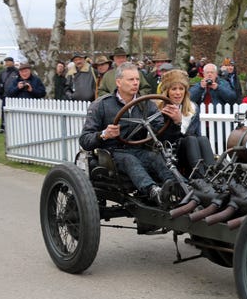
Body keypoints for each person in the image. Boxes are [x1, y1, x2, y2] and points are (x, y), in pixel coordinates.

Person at [79, 62, 174, 204]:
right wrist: (104, 134)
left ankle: (176, 187)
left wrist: (174, 121)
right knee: (129, 160)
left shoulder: (146, 103)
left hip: (138, 149)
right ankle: (153, 191)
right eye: (131, 80)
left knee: (156, 157)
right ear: (118, 82)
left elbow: (160, 128)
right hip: (112, 154)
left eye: (137, 79)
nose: (135, 83)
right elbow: (85, 140)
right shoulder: (102, 105)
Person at [157, 69, 215, 177]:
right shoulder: (160, 109)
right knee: (190, 139)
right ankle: (199, 177)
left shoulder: (192, 108)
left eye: (181, 89)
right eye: (174, 89)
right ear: (167, 92)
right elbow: (161, 138)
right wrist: (176, 122)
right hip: (169, 151)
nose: (178, 93)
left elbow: (196, 134)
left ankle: (212, 175)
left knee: (202, 139)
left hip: (190, 150)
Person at [0, 56, 19, 133]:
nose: (7, 63)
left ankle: (14, 125)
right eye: (6, 62)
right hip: (5, 95)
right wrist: (0, 92)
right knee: (4, 110)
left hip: (15, 95)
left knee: (14, 111)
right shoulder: (3, 72)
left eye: (8, 62)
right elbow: (0, 83)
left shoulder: (17, 72)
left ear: (12, 62)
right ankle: (3, 125)